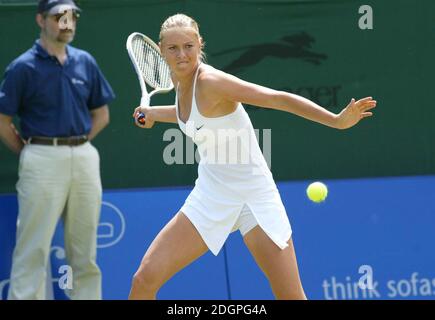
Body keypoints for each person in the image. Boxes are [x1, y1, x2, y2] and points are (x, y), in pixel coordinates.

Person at [129, 13, 376, 300]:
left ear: (200, 44)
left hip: (253, 195)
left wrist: (336, 120)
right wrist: (155, 114)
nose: (182, 54)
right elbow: (195, 117)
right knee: (144, 279)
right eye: (173, 48)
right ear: (161, 50)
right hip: (211, 194)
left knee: (291, 297)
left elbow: (276, 98)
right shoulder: (182, 83)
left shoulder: (211, 82)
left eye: (188, 46)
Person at [0, 0, 115, 299]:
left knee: (85, 252)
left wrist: (77, 144)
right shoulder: (23, 67)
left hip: (84, 156)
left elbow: (101, 114)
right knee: (32, 249)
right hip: (41, 158)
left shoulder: (85, 62)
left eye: (72, 16)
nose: (67, 23)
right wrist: (30, 151)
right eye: (58, 17)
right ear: (41, 20)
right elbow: (3, 120)